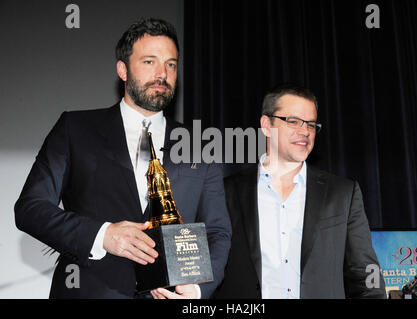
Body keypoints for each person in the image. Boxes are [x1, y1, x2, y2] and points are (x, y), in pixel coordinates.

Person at [14, 18, 231, 299]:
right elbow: (30, 208)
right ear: (123, 70)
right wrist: (103, 235)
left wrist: (197, 289)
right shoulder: (75, 129)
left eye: (171, 64)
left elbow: (217, 232)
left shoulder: (200, 144)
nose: (162, 74)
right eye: (149, 62)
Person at [214, 84, 386, 299]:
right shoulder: (225, 192)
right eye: (293, 121)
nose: (305, 131)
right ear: (266, 125)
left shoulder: (342, 193)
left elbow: (367, 272)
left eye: (311, 125)